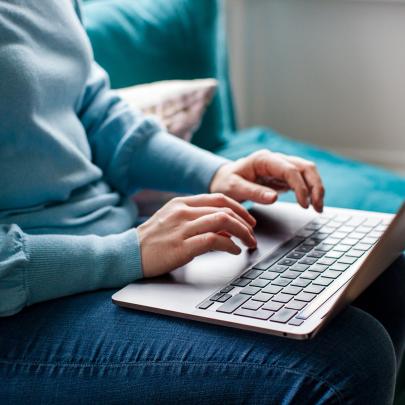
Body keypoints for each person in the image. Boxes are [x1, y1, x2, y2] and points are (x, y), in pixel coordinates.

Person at [0, 1, 403, 404]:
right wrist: (126, 253)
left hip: (112, 240)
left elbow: (93, 110)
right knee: (346, 362)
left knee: (386, 275)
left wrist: (218, 175)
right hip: (27, 305)